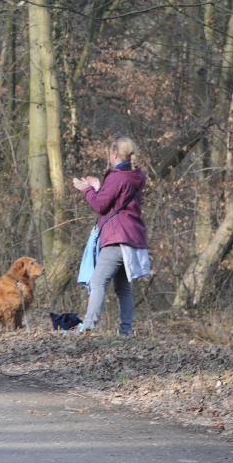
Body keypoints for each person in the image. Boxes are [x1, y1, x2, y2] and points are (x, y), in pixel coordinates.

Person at [72, 135, 149, 336]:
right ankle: (126, 330)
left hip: (116, 238)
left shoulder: (117, 176)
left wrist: (86, 189)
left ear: (114, 153)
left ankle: (88, 327)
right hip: (132, 239)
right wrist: (98, 188)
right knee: (123, 288)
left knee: (97, 282)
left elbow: (99, 205)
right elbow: (115, 201)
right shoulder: (135, 175)